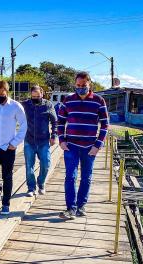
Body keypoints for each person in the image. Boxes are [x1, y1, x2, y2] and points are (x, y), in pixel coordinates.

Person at [58, 72, 109, 220]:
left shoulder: (99, 101)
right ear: (75, 84)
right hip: (71, 146)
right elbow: (60, 122)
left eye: (83, 85)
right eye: (78, 85)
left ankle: (81, 206)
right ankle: (71, 208)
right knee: (70, 177)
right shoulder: (68, 100)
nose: (80, 88)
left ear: (89, 84)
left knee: (86, 177)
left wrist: (98, 145)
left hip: (90, 146)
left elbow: (105, 125)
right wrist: (62, 140)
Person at [0, 80, 27, 215]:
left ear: (7, 92)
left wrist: (15, 143)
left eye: (1, 93)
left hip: (8, 148)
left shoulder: (15, 106)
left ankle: (6, 204)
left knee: (7, 176)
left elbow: (23, 125)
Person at [22, 85, 57, 197]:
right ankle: (31, 188)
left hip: (43, 141)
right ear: (30, 95)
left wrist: (53, 135)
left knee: (46, 164)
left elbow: (55, 121)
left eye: (38, 96)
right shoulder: (25, 104)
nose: (35, 97)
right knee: (29, 166)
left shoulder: (48, 105)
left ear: (42, 94)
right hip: (29, 140)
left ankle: (41, 183)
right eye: (33, 96)